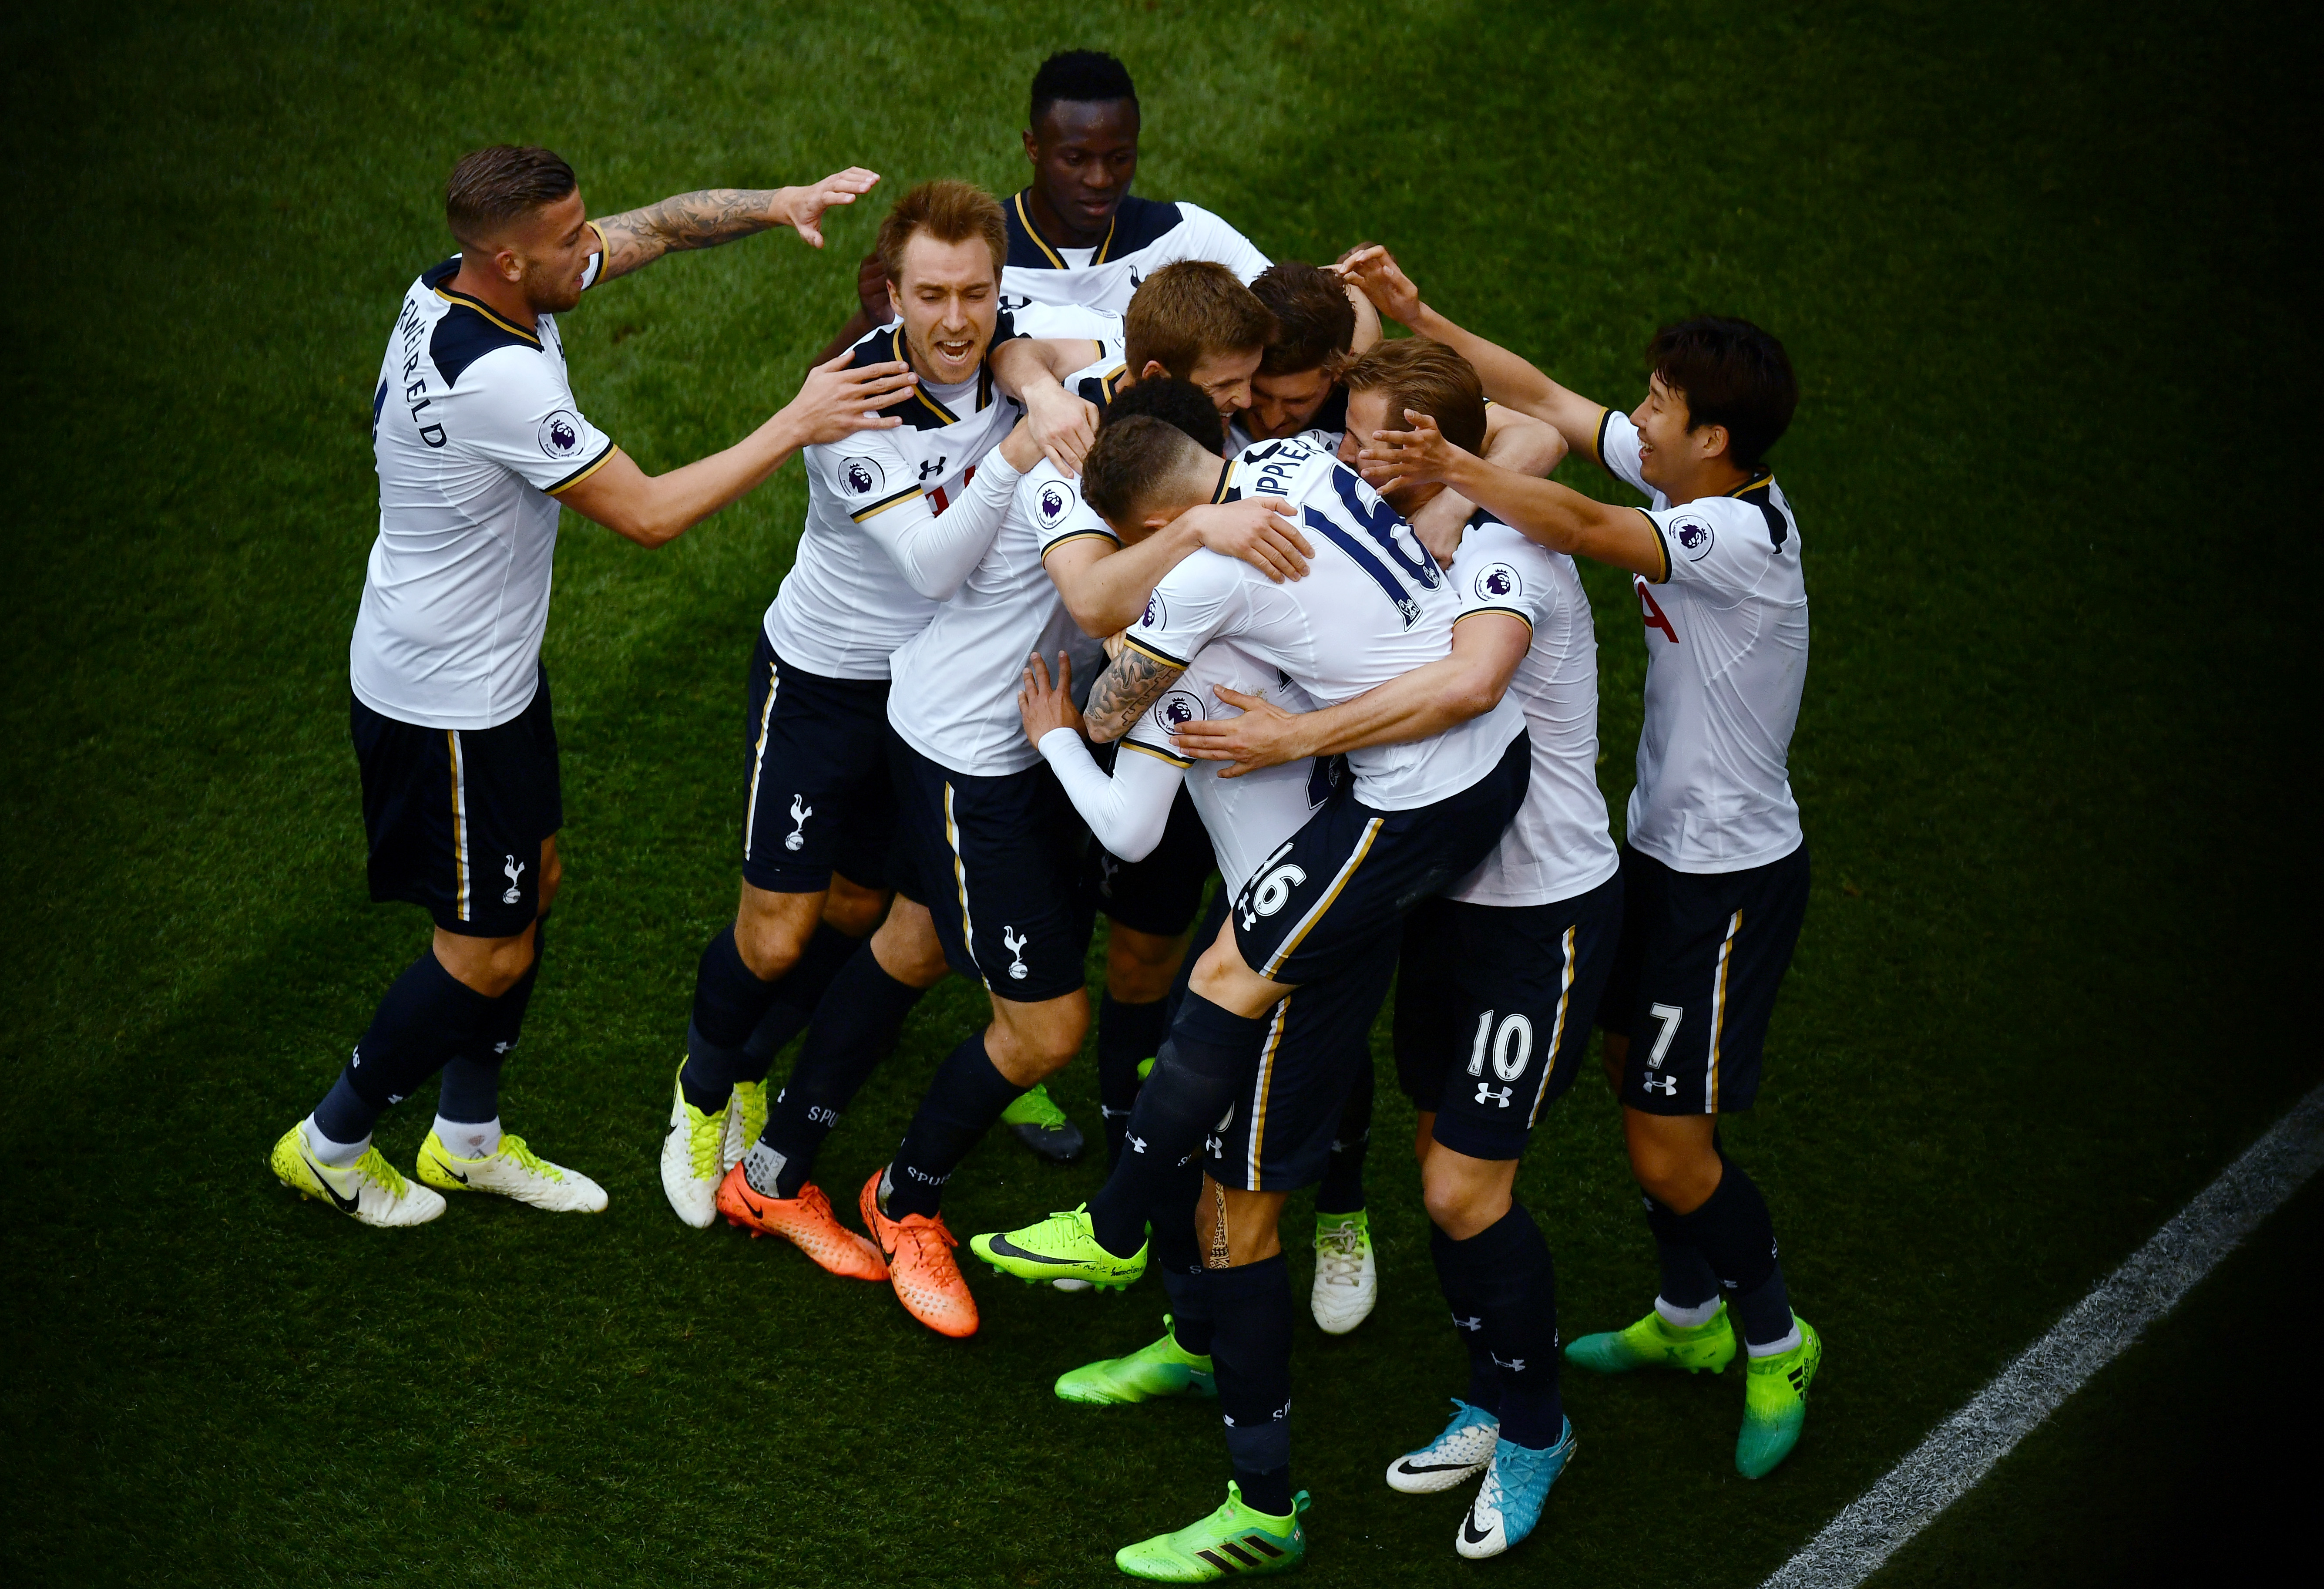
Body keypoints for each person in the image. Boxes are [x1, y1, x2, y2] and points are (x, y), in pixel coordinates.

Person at [270, 144, 916, 1227]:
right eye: (571, 242)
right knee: (482, 947)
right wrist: (798, 419)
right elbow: (652, 514)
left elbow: (654, 226)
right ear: (512, 263)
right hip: (442, 706)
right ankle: (332, 1138)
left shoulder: (460, 280)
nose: (594, 247)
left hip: (489, 681)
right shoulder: (501, 382)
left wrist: (777, 204)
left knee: (537, 884)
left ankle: (466, 1138)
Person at [973, 416, 1531, 1578]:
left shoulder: (1199, 588)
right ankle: (1183, 1326)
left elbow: (1108, 710)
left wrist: (1069, 718)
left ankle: (1252, 1484)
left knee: (1235, 1194)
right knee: (1204, 1069)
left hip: (1396, 819)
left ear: (1156, 531)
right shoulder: (1302, 460)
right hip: (1394, 804)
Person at [1346, 245, 1821, 1479]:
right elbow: (1552, 406)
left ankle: (1774, 1337)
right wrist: (1422, 317)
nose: (1639, 413)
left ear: (1712, 441)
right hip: (1651, 855)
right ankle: (1684, 1321)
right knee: (1637, 1096)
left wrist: (1452, 465)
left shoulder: (1732, 535)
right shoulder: (1697, 475)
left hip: (1724, 881)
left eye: (1659, 405)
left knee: (1670, 1143)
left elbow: (1583, 522)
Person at [1171, 339, 1618, 1558]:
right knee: (1443, 1163)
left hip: (1540, 916)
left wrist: (1293, 737)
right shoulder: (1415, 536)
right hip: (1448, 905)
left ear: (1434, 447)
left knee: (1460, 1189)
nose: (1351, 459)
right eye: (1348, 433)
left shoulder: (1500, 548)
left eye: (1380, 439)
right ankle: (1491, 1392)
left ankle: (1534, 1429)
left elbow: (1470, 686)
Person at [656, 179, 1104, 1234]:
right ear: (891, 293)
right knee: (775, 934)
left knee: (864, 912)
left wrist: (1033, 377)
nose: (957, 320)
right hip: (824, 680)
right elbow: (938, 563)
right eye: (932, 295)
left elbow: (1122, 349)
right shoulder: (846, 403)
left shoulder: (1018, 335)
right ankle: (703, 1092)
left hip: (927, 698)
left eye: (978, 295)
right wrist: (1026, 436)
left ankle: (764, 1068)